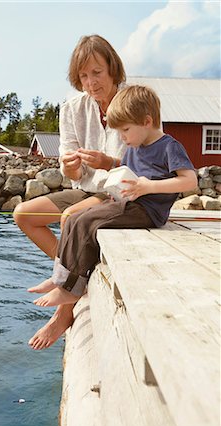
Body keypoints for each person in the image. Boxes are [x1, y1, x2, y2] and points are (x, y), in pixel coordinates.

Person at [29, 85, 198, 308]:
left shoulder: (169, 146)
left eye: (125, 130)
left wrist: (149, 187)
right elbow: (124, 171)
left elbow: (190, 181)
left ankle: (69, 290)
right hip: (126, 202)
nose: (122, 137)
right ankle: (59, 277)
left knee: (86, 223)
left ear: (147, 121)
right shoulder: (134, 147)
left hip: (147, 210)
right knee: (73, 219)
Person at [13, 35, 128, 350]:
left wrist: (109, 161)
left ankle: (64, 311)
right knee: (24, 215)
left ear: (113, 69)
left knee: (70, 218)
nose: (90, 83)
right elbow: (73, 173)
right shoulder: (72, 107)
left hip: (121, 192)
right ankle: (77, 274)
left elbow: (146, 159)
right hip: (86, 189)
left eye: (97, 73)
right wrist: (71, 167)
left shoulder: (132, 102)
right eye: (83, 76)